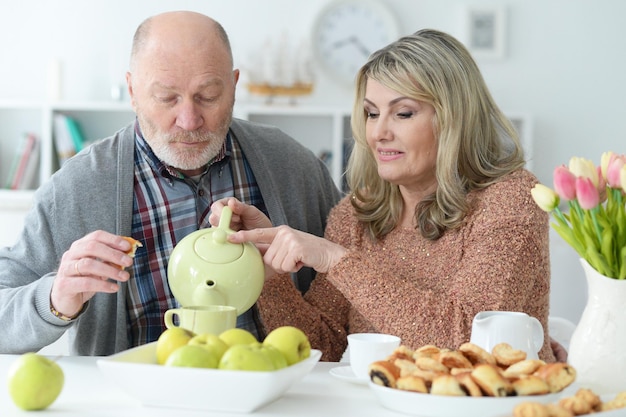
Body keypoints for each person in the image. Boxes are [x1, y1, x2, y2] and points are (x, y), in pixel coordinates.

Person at [0, 11, 341, 355]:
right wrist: (56, 299)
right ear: (132, 91)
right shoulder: (76, 189)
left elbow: (353, 284)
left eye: (208, 96)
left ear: (234, 86)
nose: (189, 120)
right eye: (167, 98)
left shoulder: (292, 166)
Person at [211, 29, 559, 363]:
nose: (378, 132)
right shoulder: (355, 215)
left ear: (456, 118)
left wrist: (338, 261)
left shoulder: (510, 199)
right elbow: (322, 349)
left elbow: (471, 343)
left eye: (403, 113)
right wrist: (270, 276)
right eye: (371, 113)